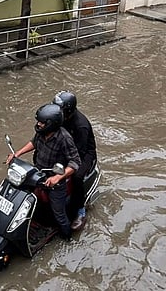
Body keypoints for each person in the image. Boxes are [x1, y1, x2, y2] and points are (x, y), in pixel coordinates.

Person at [6, 104, 80, 239]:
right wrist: (17, 154)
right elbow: (33, 143)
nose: (38, 124)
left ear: (51, 124)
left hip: (55, 182)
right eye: (38, 121)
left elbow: (75, 162)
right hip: (38, 174)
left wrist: (58, 177)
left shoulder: (64, 138)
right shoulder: (41, 132)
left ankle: (67, 236)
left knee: (59, 214)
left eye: (42, 122)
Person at [53, 91, 97, 231]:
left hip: (84, 155)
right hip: (67, 148)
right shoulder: (60, 119)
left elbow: (79, 152)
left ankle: (80, 210)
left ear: (69, 111)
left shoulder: (80, 125)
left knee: (77, 176)